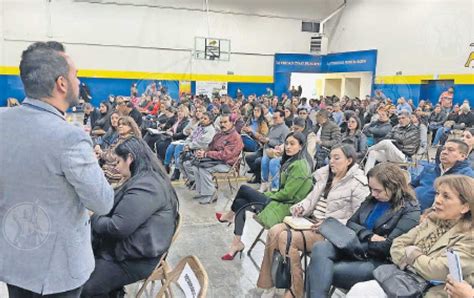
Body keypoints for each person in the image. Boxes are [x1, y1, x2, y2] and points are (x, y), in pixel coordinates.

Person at [0, 41, 114, 297]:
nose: (78, 80)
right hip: (56, 272)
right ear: (61, 83)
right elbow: (103, 202)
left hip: (13, 256)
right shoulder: (70, 138)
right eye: (75, 75)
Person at [257, 144, 370, 298]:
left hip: (329, 231)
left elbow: (358, 218)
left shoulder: (358, 183)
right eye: (330, 158)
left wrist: (328, 224)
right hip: (309, 221)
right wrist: (300, 208)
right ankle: (269, 283)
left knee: (286, 238)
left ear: (349, 160)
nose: (331, 161)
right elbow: (310, 200)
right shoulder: (325, 175)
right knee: (274, 231)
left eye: (337, 158)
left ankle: (295, 290)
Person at [81, 137, 178, 297]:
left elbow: (117, 227)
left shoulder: (148, 186)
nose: (117, 167)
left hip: (134, 259)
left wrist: (94, 216)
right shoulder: (144, 177)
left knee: (85, 287)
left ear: (130, 158)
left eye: (119, 162)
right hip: (130, 248)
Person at [348, 175, 474, 297]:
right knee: (361, 290)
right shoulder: (432, 221)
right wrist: (419, 262)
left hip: (428, 292)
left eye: (446, 196)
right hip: (401, 281)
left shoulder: (469, 238)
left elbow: (437, 271)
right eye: (437, 193)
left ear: (465, 207)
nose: (437, 200)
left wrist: (412, 254)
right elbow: (397, 245)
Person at [306, 163, 421, 298]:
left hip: (378, 261)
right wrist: (369, 236)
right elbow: (351, 223)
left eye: (378, 190)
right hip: (356, 247)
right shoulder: (373, 198)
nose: (373, 193)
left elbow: (388, 246)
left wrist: (360, 235)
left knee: (318, 269)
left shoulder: (410, 209)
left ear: (393, 187)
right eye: (371, 189)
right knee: (320, 248)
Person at [216, 132, 314, 261]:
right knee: (240, 202)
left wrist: (266, 195)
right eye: (287, 143)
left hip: (286, 207)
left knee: (244, 189)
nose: (288, 147)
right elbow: (283, 191)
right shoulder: (293, 161)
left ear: (301, 146)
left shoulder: (300, 166)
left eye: (292, 144)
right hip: (281, 201)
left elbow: (288, 194)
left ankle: (229, 216)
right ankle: (236, 243)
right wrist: (267, 194)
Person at [189, 114, 244, 204]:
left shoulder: (235, 137)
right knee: (196, 166)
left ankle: (210, 194)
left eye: (225, 122)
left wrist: (206, 154)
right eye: (221, 122)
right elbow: (210, 147)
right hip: (216, 160)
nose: (222, 124)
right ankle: (202, 192)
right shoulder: (219, 134)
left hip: (227, 164)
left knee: (204, 169)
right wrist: (202, 152)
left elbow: (225, 155)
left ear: (232, 123)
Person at [411, 139, 473, 211]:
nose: (444, 152)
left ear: (462, 156)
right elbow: (412, 185)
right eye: (443, 149)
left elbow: (466, 204)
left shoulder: (466, 176)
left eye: (450, 150)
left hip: (435, 216)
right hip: (411, 208)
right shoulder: (431, 168)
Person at [95, 116, 142, 186]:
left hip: (116, 175)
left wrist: (100, 153)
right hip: (109, 169)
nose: (120, 126)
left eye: (124, 124)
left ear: (131, 127)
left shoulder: (129, 141)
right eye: (119, 124)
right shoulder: (119, 138)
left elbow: (112, 157)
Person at [180, 112, 217, 185]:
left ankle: (194, 181)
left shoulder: (210, 130)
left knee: (187, 164)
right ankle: (191, 179)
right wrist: (187, 144)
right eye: (202, 118)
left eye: (205, 119)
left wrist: (189, 146)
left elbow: (202, 143)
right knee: (179, 161)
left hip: (201, 151)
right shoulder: (199, 127)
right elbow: (191, 137)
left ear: (210, 121)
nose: (202, 120)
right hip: (192, 148)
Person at [259, 110, 290, 192]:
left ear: (282, 118)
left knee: (273, 162)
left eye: (276, 118)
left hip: (280, 153)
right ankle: (264, 183)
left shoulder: (285, 129)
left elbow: (283, 144)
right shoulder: (272, 127)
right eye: (273, 118)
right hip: (270, 150)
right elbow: (268, 138)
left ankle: (275, 186)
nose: (274, 119)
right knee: (264, 160)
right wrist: (264, 139)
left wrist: (269, 141)